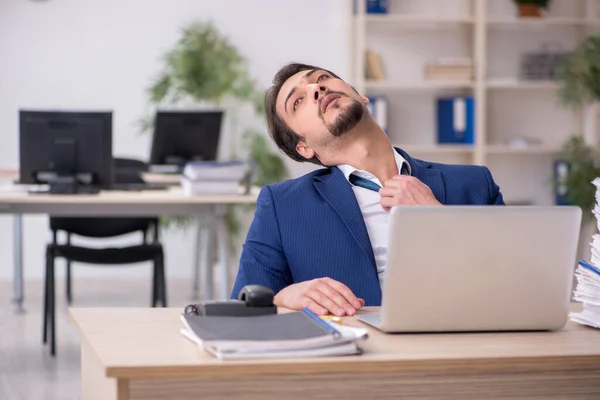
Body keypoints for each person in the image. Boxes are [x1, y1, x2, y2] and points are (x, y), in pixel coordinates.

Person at [231, 62, 504, 316]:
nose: (317, 89)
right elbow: (241, 311)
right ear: (303, 147)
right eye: (298, 101)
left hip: (461, 353)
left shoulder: (474, 184)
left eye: (322, 78)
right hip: (354, 360)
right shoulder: (282, 206)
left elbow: (519, 281)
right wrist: (284, 298)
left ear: (361, 95)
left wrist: (439, 220)